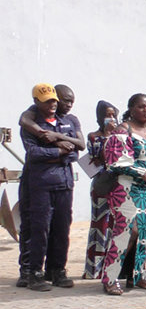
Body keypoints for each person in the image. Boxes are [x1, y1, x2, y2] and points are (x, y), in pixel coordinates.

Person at [101, 93, 146, 295]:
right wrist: (142, 171)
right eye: (142, 107)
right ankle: (110, 277)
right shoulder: (123, 130)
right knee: (127, 231)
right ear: (131, 109)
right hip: (126, 189)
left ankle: (139, 275)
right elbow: (115, 161)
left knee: (144, 233)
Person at [17, 84, 84, 288]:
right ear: (36, 102)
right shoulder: (31, 124)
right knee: (39, 228)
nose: (53, 104)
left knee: (61, 229)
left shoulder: (68, 121)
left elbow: (76, 152)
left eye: (54, 100)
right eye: (48, 101)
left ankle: (57, 270)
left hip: (64, 184)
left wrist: (60, 146)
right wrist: (60, 152)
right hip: (40, 185)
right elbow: (34, 154)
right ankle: (33, 272)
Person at [82, 101, 118, 280]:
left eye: (113, 115)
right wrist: (107, 135)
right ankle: (93, 269)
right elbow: (101, 157)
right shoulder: (94, 136)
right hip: (101, 185)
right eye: (107, 115)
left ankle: (109, 268)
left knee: (114, 225)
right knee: (99, 226)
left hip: (117, 186)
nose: (111, 119)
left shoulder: (121, 135)